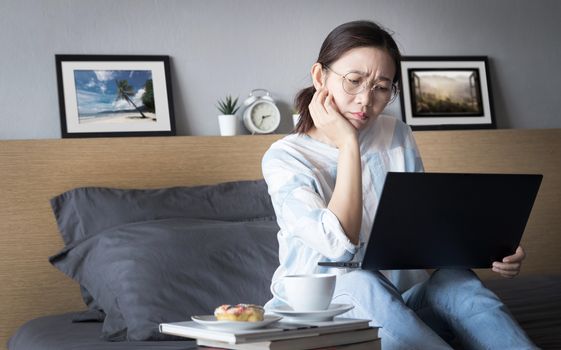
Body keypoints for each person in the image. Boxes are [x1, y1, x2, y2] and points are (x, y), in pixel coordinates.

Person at [261, 20, 537, 350]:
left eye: (381, 87)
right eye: (354, 81)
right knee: (361, 281)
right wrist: (349, 145)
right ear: (320, 77)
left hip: (399, 302)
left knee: (456, 279)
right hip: (320, 314)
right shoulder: (284, 158)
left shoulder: (396, 134)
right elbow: (339, 247)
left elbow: (419, 234)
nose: (366, 100)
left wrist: (489, 249)